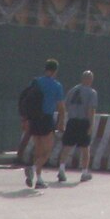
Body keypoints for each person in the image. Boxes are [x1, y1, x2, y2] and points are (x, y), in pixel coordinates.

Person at [21, 59, 66, 189]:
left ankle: (39, 179)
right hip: (46, 119)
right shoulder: (57, 86)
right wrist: (61, 123)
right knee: (47, 152)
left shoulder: (36, 82)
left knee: (38, 150)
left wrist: (25, 119)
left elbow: (27, 100)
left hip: (34, 119)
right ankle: (32, 169)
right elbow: (61, 107)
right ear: (55, 71)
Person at [61, 70, 99, 182]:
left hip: (72, 121)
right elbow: (91, 110)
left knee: (67, 146)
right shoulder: (92, 93)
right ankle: (84, 172)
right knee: (85, 148)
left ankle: (61, 170)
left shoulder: (73, 90)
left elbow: (65, 105)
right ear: (90, 80)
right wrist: (91, 124)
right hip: (83, 122)